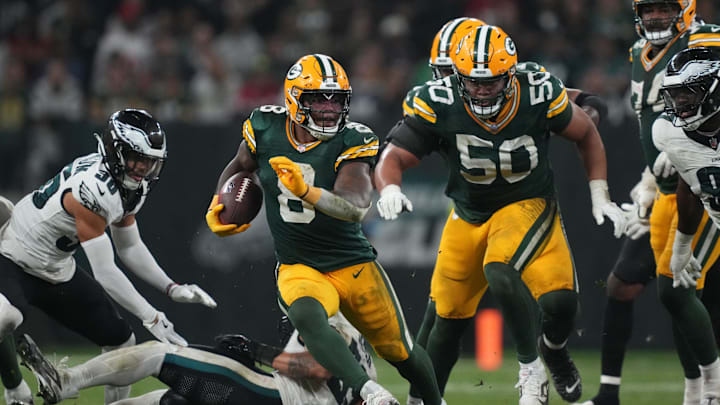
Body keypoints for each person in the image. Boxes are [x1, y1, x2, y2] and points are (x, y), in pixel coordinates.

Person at [374, 24, 626, 405]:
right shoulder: (435, 100)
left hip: (525, 201)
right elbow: (392, 155)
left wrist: (598, 186)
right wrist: (390, 186)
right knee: (443, 318)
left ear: (508, 71)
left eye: (490, 79)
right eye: (459, 75)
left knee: (526, 283)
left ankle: (534, 366)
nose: (478, 88)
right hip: (468, 210)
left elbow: (587, 115)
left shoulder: (534, 87)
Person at [204, 54, 443, 405]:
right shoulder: (265, 127)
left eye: (336, 99)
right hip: (299, 263)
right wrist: (218, 202)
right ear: (295, 98)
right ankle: (369, 391)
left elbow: (356, 206)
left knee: (403, 352)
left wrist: (308, 191)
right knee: (305, 312)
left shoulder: (352, 138)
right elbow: (240, 166)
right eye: (318, 98)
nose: (329, 108)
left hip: (351, 262)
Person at [0, 109, 217, 405]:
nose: (142, 168)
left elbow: (129, 246)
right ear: (115, 151)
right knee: (5, 318)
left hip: (56, 268)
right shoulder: (93, 188)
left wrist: (171, 287)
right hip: (14, 256)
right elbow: (105, 272)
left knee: (120, 342)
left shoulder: (129, 186)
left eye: (150, 161)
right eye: (136, 158)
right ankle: (14, 390)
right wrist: (150, 315)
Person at [580, 2, 720, 405]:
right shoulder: (638, 53)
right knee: (664, 289)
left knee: (678, 289)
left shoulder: (703, 38)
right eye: (650, 9)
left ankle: (707, 388)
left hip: (701, 179)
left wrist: (686, 145)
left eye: (664, 8)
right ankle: (693, 390)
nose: (656, 17)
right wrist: (648, 181)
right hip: (665, 188)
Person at [18, 312, 376, 405]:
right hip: (283, 394)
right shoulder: (353, 329)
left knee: (161, 354)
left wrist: (256, 352)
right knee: (169, 399)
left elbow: (315, 370)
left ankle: (67, 382)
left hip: (277, 398)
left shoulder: (331, 317)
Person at [647, 46, 720, 404]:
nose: (680, 102)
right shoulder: (668, 132)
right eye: (674, 93)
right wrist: (681, 246)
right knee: (674, 290)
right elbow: (690, 185)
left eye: (688, 92)